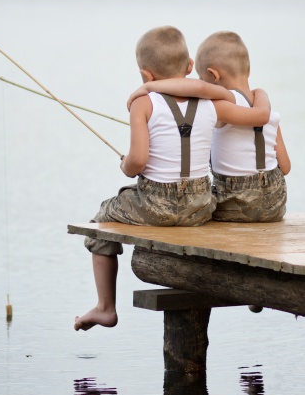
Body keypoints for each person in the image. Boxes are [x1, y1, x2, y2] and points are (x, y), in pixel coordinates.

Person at [75, 26, 270, 331]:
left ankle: (105, 307)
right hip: (201, 205)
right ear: (191, 67)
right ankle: (255, 285)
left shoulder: (144, 103)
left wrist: (125, 165)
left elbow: (138, 161)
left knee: (101, 221)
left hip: (156, 204)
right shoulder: (212, 103)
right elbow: (215, 91)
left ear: (145, 75)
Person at [131, 30, 290, 223]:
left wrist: (149, 87)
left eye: (201, 77)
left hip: (234, 204)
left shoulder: (222, 104)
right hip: (276, 204)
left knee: (201, 203)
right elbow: (286, 167)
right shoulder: (267, 107)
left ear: (212, 75)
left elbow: (198, 89)